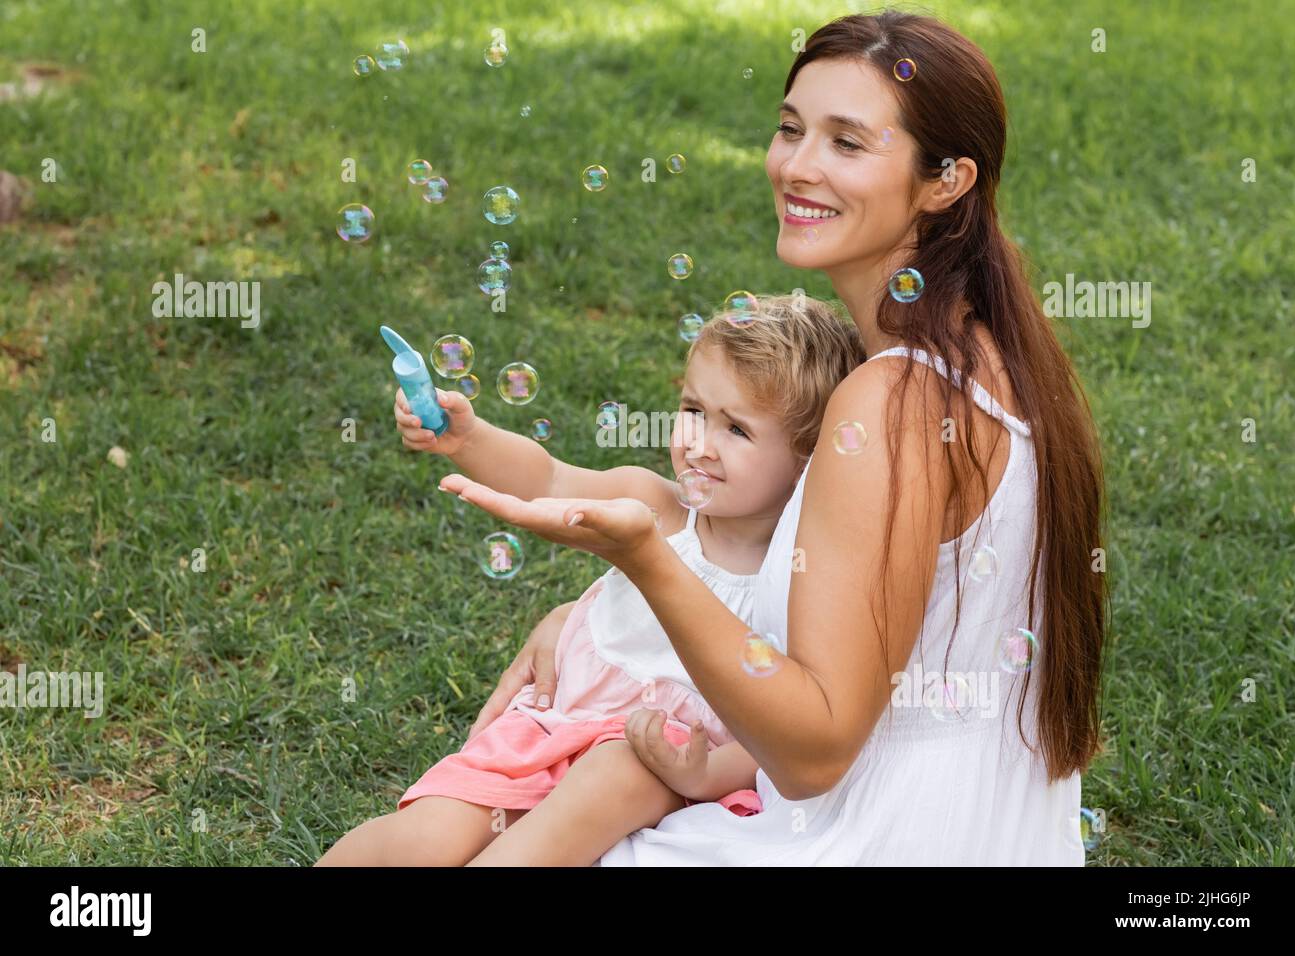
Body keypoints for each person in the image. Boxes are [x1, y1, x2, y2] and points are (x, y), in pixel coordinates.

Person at [439, 10, 1108, 865]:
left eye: (847, 143)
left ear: (946, 181)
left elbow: (814, 748)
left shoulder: (891, 402)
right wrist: (594, 620)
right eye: (791, 129)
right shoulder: (991, 350)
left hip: (872, 833)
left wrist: (646, 560)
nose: (796, 165)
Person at [316, 295, 864, 865]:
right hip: (557, 724)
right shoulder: (656, 504)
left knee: (618, 767)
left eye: (737, 430)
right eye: (694, 410)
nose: (699, 444)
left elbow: (787, 728)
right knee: (427, 837)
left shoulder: (798, 576)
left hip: (655, 760)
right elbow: (548, 479)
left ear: (808, 458)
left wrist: (706, 773)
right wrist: (469, 439)